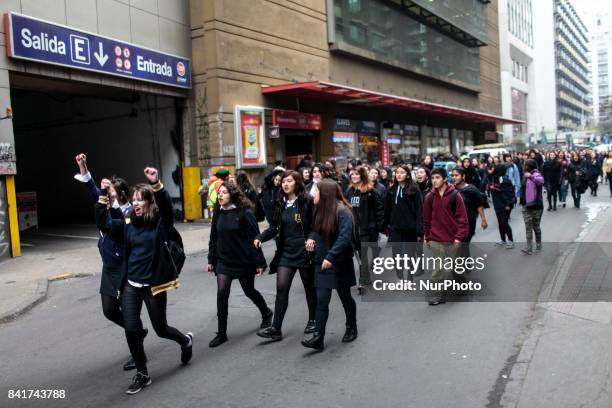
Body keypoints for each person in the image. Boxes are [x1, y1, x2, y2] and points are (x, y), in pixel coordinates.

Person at [95, 167, 193, 395]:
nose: (136, 203)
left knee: (161, 329)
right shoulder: (129, 224)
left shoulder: (159, 225)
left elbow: (167, 209)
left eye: (141, 200)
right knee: (131, 330)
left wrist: (157, 184)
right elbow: (105, 224)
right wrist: (102, 197)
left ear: (149, 203)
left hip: (155, 286)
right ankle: (142, 373)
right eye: (134, 200)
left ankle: (185, 341)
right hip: (132, 284)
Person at [74, 153, 141, 371]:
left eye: (110, 191)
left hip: (125, 268)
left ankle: (137, 353)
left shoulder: (129, 213)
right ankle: (137, 332)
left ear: (121, 194)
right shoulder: (105, 203)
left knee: (129, 313)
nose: (106, 194)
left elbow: (110, 221)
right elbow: (91, 188)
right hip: (109, 269)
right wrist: (83, 165)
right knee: (109, 310)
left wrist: (106, 202)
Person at [207, 182, 273, 348]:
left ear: (233, 195)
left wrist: (260, 262)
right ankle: (221, 333)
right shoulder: (218, 212)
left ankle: (266, 313)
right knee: (222, 293)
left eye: (224, 193)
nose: (220, 195)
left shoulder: (245, 213)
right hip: (223, 260)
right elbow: (213, 237)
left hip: (243, 260)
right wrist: (210, 259)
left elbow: (254, 238)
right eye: (219, 193)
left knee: (249, 291)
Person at [254, 171, 317, 341]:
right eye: (283, 181)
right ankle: (276, 328)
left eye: (289, 181)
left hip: (304, 252)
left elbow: (315, 226)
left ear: (296, 183)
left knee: (309, 288)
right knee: (282, 288)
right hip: (286, 253)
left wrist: (311, 239)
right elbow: (274, 227)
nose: (285, 184)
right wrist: (260, 237)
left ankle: (313, 320)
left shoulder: (306, 201)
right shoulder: (280, 204)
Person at [302, 179, 357, 350]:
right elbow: (315, 229)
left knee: (345, 296)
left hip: (339, 262)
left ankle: (351, 326)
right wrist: (311, 238)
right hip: (322, 261)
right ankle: (318, 337)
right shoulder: (320, 210)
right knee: (322, 299)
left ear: (324, 194)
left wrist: (331, 256)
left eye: (316, 191)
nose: (313, 195)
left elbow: (344, 238)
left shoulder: (344, 212)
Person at [423, 167, 469, 305]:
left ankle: (461, 283)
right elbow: (426, 220)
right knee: (438, 269)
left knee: (456, 267)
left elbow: (463, 219)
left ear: (444, 179)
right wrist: (428, 237)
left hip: (453, 238)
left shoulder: (456, 195)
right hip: (436, 238)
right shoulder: (429, 197)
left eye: (437, 178)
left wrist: (459, 237)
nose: (434, 181)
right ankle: (439, 296)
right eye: (432, 178)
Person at [345, 166, 384, 293]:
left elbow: (378, 210)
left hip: (367, 229)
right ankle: (366, 278)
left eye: (357, 174)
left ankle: (363, 281)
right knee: (359, 255)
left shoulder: (370, 192)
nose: (354, 176)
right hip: (352, 229)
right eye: (353, 174)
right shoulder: (349, 191)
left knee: (363, 255)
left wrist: (377, 228)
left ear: (362, 176)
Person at [384, 164, 423, 280]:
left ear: (407, 175)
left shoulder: (414, 189)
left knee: (410, 255)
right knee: (396, 255)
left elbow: (420, 211)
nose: (399, 174)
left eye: (402, 172)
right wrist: (385, 226)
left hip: (410, 229)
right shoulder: (391, 190)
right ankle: (400, 277)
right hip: (395, 228)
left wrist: (419, 232)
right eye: (397, 172)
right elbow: (387, 210)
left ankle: (409, 277)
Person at [451, 167, 488, 243]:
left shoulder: (471, 189)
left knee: (465, 243)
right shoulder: (451, 189)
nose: (454, 177)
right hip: (455, 221)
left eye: (456, 175)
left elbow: (479, 205)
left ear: (463, 176)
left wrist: (483, 220)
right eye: (452, 175)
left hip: (469, 221)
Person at [520, 159, 544, 255]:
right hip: (526, 205)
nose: (524, 166)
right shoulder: (525, 175)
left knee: (536, 227)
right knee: (528, 227)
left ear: (529, 166)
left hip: (536, 205)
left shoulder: (536, 174)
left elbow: (541, 181)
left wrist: (531, 176)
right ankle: (529, 248)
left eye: (525, 165)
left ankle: (538, 244)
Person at [488, 164, 515, 248]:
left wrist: (508, 204)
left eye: (494, 168)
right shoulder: (494, 178)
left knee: (504, 222)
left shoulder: (504, 180)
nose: (492, 170)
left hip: (504, 205)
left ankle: (510, 241)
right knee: (500, 223)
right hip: (497, 204)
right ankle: (503, 240)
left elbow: (508, 193)